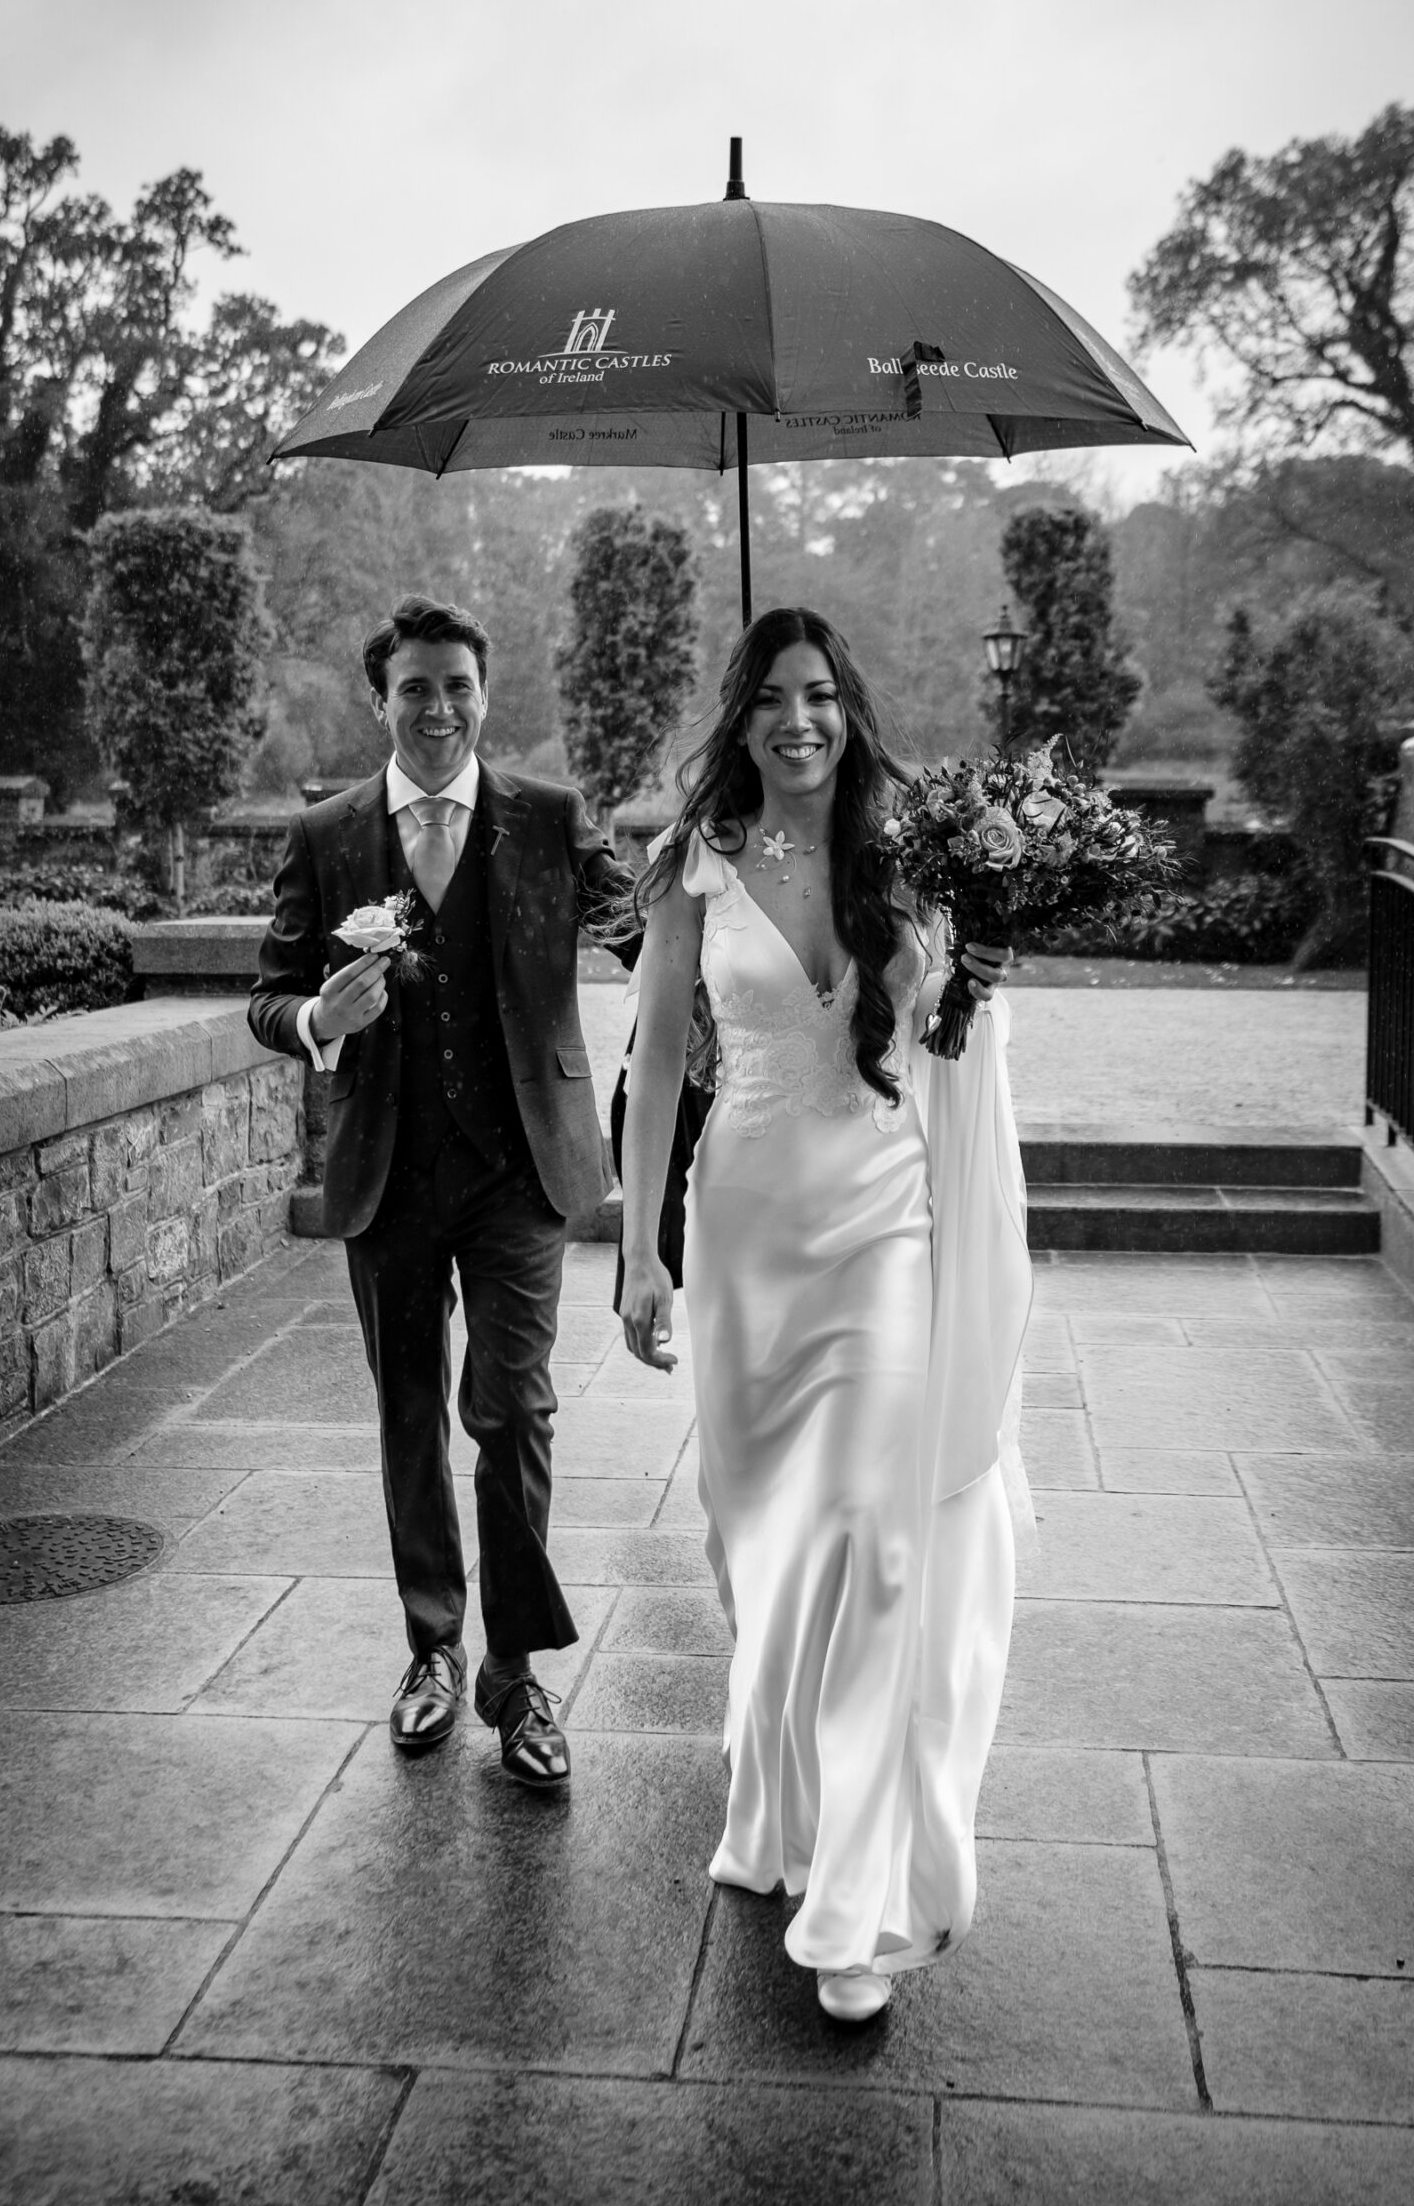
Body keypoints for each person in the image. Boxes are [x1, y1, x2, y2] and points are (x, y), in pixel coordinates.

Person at [618, 607, 1030, 2025]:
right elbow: (660, 1058)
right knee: (770, 1561)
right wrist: (638, 1251)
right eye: (771, 700)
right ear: (737, 720)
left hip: (879, 1240)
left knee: (873, 1546)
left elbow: (948, 1039)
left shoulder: (914, 857)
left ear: (847, 709)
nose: (797, 721)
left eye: (819, 697)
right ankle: (781, 1817)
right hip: (740, 1243)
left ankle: (853, 1907)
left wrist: (972, 981)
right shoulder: (694, 864)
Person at [249, 594, 631, 1788]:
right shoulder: (327, 834)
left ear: (484, 691)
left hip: (520, 1166)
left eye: (459, 685)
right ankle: (432, 1645)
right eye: (415, 686)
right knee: (408, 1415)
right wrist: (320, 1015)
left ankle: (515, 1674)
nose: (439, 707)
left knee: (514, 1412)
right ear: (383, 697)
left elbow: (639, 924)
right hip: (388, 1174)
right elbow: (269, 993)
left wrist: (707, 882)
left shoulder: (550, 817)